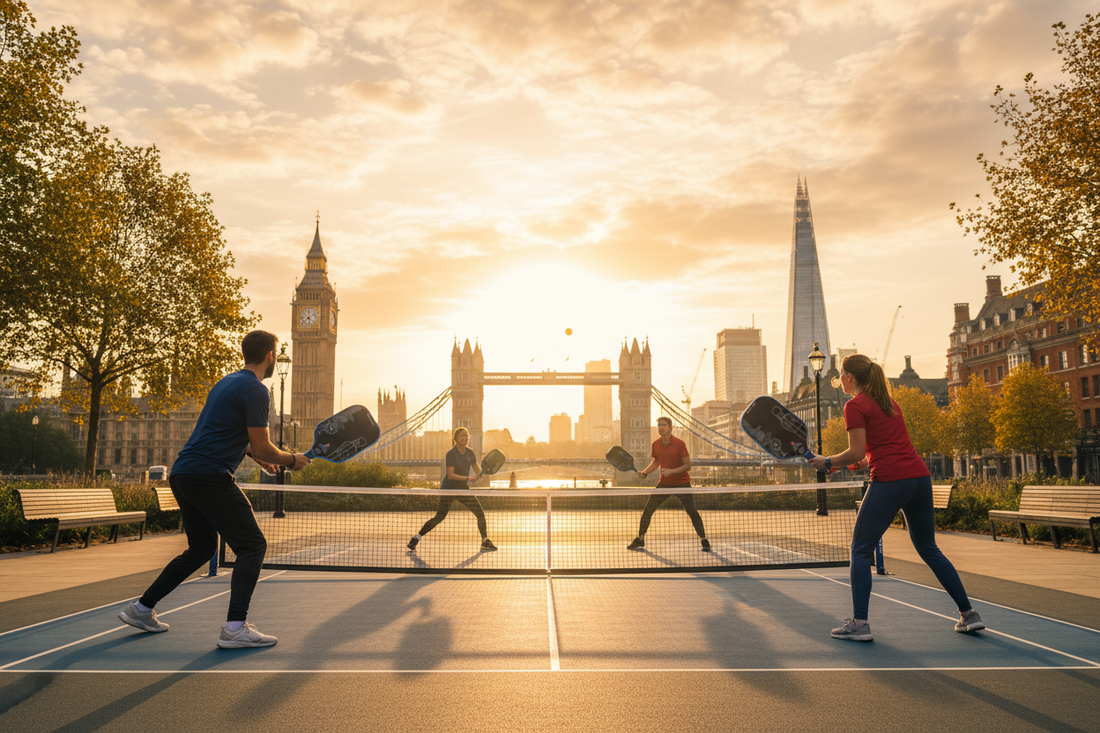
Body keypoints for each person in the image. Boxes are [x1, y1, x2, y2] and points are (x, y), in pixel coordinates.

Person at [117, 331, 311, 648]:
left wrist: (253, 455)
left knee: (202, 547)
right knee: (252, 546)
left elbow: (225, 432)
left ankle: (141, 608)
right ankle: (235, 627)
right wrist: (291, 460)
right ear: (271, 356)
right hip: (209, 475)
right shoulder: (258, 391)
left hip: (183, 473)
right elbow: (263, 445)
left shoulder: (226, 382)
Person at [809, 354, 984, 642]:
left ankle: (859, 623)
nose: (839, 379)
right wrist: (851, 463)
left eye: (841, 373)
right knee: (929, 548)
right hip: (919, 478)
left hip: (890, 481)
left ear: (850, 378)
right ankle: (969, 614)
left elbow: (855, 451)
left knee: (860, 550)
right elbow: (870, 452)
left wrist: (827, 462)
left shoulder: (854, 405)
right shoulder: (890, 404)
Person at [407, 427, 497, 552]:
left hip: (462, 489)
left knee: (480, 513)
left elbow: (477, 470)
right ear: (456, 438)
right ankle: (416, 537)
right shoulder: (451, 454)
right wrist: (468, 477)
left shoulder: (470, 453)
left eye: (466, 435)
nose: (464, 438)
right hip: (448, 488)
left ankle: (484, 540)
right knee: (440, 517)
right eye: (461, 436)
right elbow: (451, 475)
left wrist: (481, 475)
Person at [627, 417, 710, 552]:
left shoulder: (680, 444)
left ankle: (704, 539)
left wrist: (672, 471)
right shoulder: (656, 445)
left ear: (670, 428)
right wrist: (645, 472)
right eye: (659, 425)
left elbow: (688, 465)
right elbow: (656, 461)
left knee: (691, 511)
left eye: (664, 425)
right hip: (664, 484)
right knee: (648, 510)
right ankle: (640, 539)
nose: (661, 427)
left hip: (682, 483)